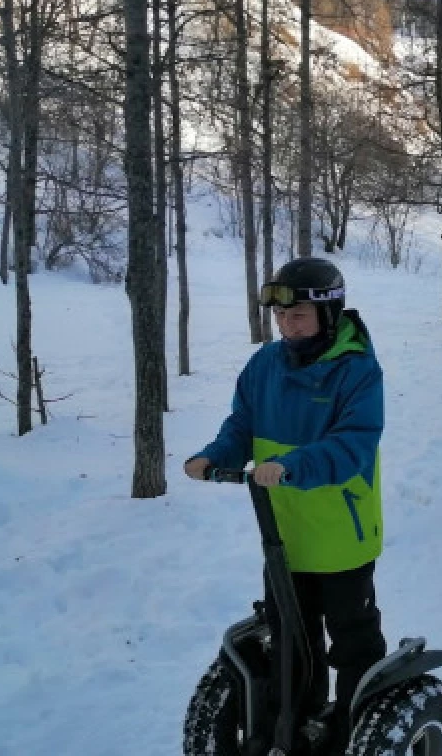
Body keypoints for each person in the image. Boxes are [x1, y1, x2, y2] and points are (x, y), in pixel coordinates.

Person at [184, 256, 387, 747]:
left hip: (342, 536)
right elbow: (242, 425)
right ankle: (294, 728)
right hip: (283, 536)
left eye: (298, 316)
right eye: (280, 317)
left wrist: (294, 465)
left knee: (352, 642)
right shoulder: (265, 364)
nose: (287, 326)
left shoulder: (357, 370)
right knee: (292, 643)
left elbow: (353, 444)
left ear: (329, 315)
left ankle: (352, 734)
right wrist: (214, 456)